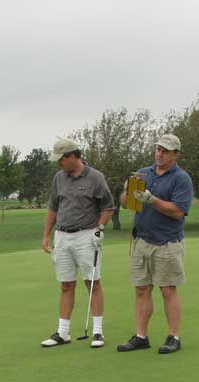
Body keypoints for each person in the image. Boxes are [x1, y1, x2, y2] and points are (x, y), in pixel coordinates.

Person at [117, 134, 194, 354]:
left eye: (165, 151)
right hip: (141, 240)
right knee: (141, 289)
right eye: (158, 149)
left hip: (167, 242)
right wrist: (127, 191)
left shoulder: (181, 178)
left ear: (175, 154)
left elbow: (178, 211)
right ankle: (141, 336)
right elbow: (126, 204)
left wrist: (152, 200)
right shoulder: (143, 173)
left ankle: (173, 337)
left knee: (168, 290)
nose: (160, 154)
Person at [40, 137, 114, 348]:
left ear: (73, 156)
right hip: (62, 236)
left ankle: (98, 332)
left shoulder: (96, 178)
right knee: (66, 285)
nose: (58, 163)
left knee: (92, 283)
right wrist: (46, 235)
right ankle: (63, 332)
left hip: (86, 235)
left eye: (61, 159)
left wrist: (99, 229)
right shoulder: (58, 178)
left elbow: (108, 207)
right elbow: (53, 207)